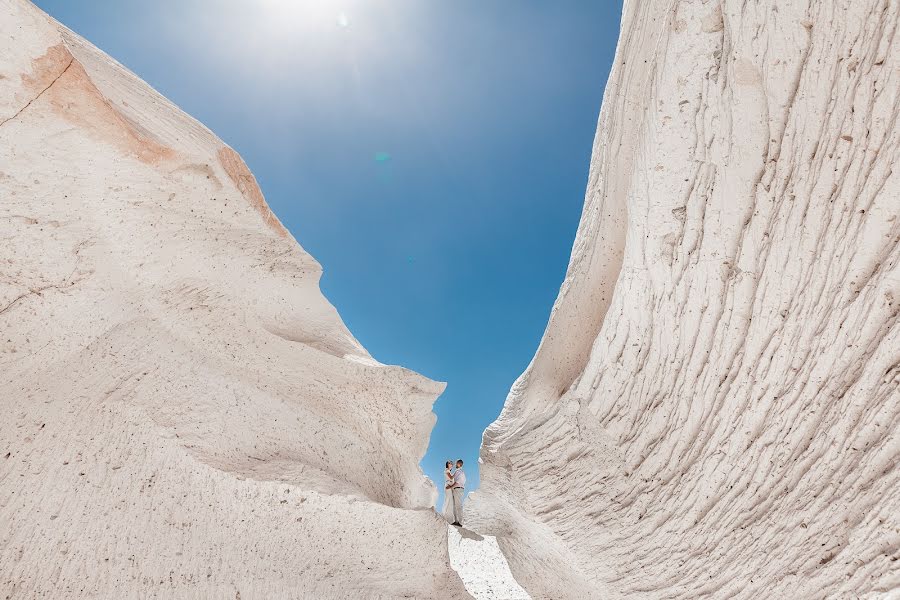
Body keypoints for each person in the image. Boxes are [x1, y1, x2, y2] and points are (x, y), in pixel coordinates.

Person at [449, 459, 466, 527]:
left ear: (459, 464)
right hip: (459, 489)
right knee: (455, 506)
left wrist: (451, 487)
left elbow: (458, 482)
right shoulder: (462, 472)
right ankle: (456, 521)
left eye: (456, 463)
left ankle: (460, 522)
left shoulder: (458, 471)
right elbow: (453, 478)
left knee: (458, 506)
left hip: (457, 489)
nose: (455, 464)